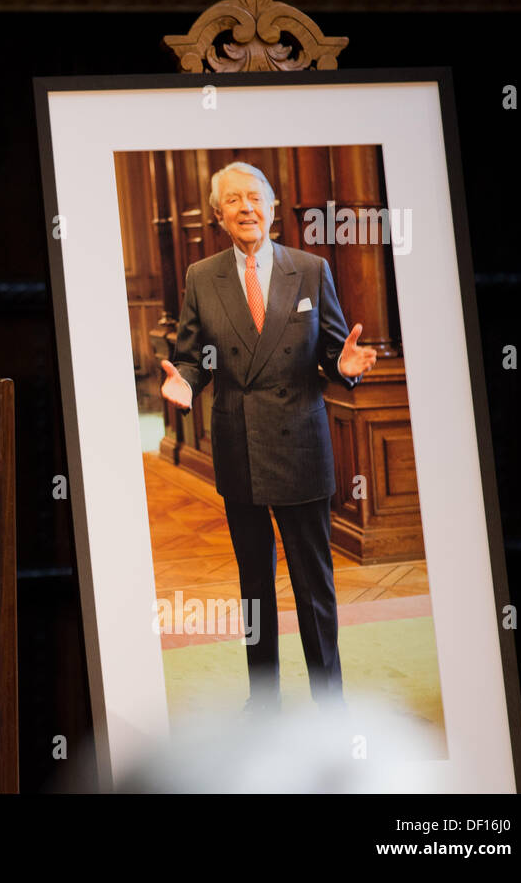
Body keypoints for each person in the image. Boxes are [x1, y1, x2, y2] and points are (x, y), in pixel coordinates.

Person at [159, 161, 377, 712]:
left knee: (314, 586)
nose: (246, 208)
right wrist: (185, 382)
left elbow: (332, 352)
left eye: (254, 198)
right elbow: (192, 358)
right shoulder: (200, 276)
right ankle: (264, 706)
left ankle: (330, 703)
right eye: (233, 200)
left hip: (302, 446)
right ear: (217, 215)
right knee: (255, 588)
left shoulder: (310, 268)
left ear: (273, 209)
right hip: (241, 450)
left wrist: (345, 365)